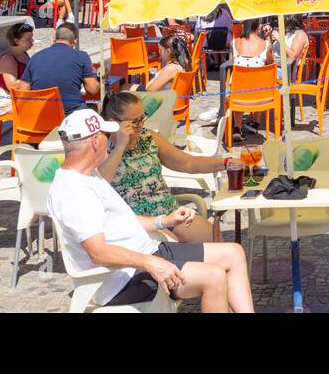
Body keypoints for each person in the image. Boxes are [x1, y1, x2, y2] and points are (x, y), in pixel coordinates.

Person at [46, 108, 253, 312]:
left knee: (233, 253)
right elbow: (98, 252)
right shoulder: (73, 191)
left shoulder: (88, 176)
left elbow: (122, 220)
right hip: (121, 279)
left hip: (145, 254)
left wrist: (164, 220)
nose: (108, 141)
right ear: (95, 141)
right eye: (106, 135)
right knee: (213, 276)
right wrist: (150, 262)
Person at [97, 92, 228, 243]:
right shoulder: (100, 146)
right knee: (176, 250)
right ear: (114, 123)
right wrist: (121, 145)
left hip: (169, 212)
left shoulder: (148, 137)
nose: (141, 126)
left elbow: (188, 163)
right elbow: (100, 184)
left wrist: (225, 163)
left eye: (142, 118)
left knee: (215, 239)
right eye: (134, 122)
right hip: (136, 224)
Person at [18, 22, 99, 115]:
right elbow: (93, 90)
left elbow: (23, 90)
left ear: (54, 38)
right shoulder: (81, 56)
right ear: (75, 40)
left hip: (39, 115)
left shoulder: (35, 57)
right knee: (94, 107)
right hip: (70, 115)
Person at [0, 20, 34, 89]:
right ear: (16, 41)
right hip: (6, 96)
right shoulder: (7, 58)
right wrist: (36, 76)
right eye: (28, 39)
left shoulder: (23, 53)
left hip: (21, 93)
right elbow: (11, 86)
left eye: (32, 38)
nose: (32, 41)